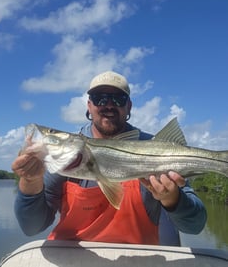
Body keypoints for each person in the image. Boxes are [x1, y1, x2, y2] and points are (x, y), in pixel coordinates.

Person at [12, 71, 207, 245]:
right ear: (89, 105)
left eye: (118, 99)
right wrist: (30, 181)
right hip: (72, 256)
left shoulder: (157, 148)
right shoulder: (66, 156)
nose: (109, 105)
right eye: (100, 99)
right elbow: (32, 228)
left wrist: (173, 199)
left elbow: (195, 226)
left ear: (129, 106)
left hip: (138, 258)